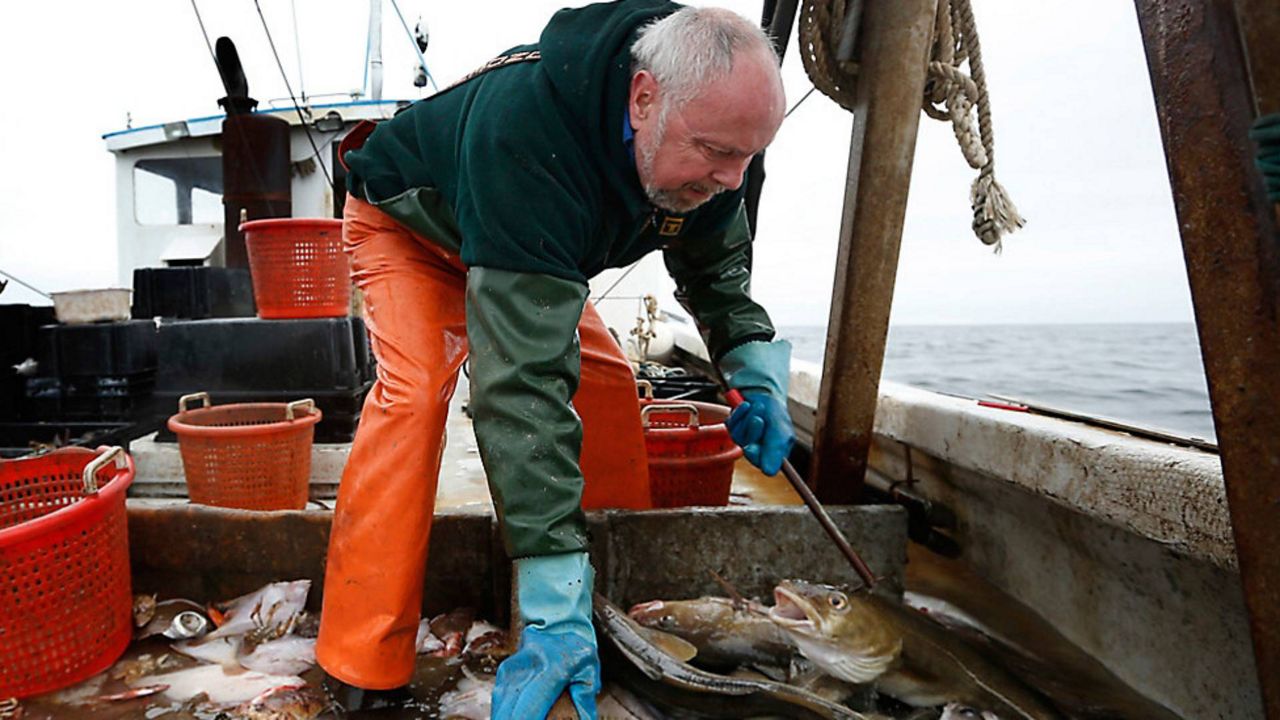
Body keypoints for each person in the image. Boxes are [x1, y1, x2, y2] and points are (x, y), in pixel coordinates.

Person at [315, 1, 797, 717]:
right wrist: (547, 604)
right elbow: (521, 389)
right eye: (714, 153)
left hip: (533, 252)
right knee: (414, 397)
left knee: (606, 383)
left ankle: (611, 606)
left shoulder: (718, 142)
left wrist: (756, 373)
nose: (732, 178)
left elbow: (716, 273)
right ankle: (363, 659)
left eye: (747, 157)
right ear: (643, 99)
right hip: (412, 230)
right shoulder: (528, 127)